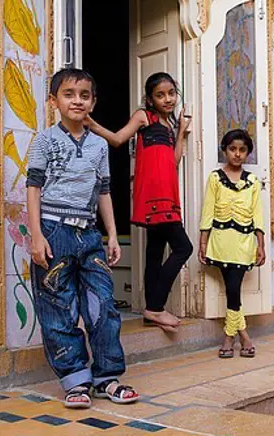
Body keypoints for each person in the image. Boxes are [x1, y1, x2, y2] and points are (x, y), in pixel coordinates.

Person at [27, 68, 139, 408]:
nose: (77, 100)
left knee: (103, 305)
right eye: (69, 94)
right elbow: (33, 188)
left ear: (93, 101)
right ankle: (75, 380)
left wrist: (112, 236)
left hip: (88, 234)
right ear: (53, 101)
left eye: (84, 95)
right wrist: (36, 236)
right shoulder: (44, 140)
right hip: (53, 231)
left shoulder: (99, 145)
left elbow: (103, 191)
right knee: (59, 309)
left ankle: (107, 377)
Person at [86, 72, 192, 332]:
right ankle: (155, 307)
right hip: (154, 194)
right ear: (149, 98)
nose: (167, 99)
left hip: (168, 193)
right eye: (160, 95)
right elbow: (118, 139)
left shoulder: (169, 125)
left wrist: (182, 132)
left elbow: (174, 161)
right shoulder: (144, 116)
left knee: (155, 252)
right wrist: (90, 123)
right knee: (183, 248)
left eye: (171, 93)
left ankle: (149, 313)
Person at [198, 129, 265, 359]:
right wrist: (203, 242)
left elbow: (258, 214)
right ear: (225, 150)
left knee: (233, 289)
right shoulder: (215, 178)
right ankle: (242, 336)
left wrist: (261, 244)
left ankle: (231, 336)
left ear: (248, 153)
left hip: (244, 242)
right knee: (233, 288)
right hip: (220, 241)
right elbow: (208, 211)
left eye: (242, 150)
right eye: (232, 149)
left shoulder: (253, 181)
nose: (237, 154)